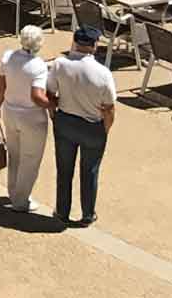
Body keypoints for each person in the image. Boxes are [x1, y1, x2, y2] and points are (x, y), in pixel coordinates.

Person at [43, 24, 117, 227]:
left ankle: (62, 211)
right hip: (92, 126)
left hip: (65, 122)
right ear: (94, 46)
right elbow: (109, 108)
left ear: (74, 43)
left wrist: (54, 116)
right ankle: (87, 214)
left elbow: (50, 94)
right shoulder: (103, 73)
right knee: (90, 171)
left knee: (64, 170)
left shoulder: (59, 64)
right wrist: (104, 129)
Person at [0, 24, 51, 211]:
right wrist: (54, 104)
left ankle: (14, 193)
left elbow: (1, 86)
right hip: (31, 117)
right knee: (30, 159)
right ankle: (21, 200)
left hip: (10, 112)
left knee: (15, 156)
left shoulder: (8, 57)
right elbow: (38, 96)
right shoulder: (39, 66)